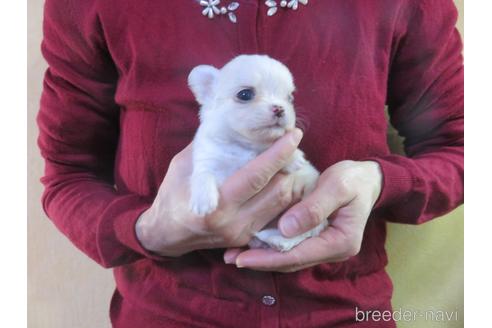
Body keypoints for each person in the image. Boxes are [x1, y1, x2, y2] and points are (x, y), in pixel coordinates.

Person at [37, 0, 463, 327]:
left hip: (344, 313)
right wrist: (148, 230)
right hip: (169, 315)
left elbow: (462, 147)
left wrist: (378, 181)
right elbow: (67, 173)